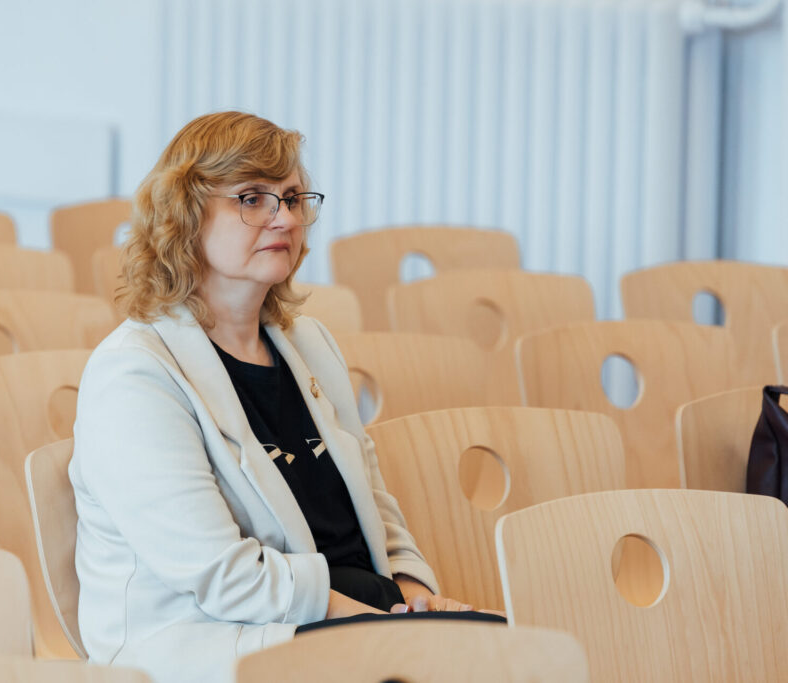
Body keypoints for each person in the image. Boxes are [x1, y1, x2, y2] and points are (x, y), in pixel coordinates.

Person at [70, 112, 498, 683]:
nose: (285, 218)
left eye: (293, 198)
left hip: (345, 613)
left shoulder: (309, 342)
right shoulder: (133, 375)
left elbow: (372, 501)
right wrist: (379, 625)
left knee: (521, 648)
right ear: (185, 216)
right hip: (210, 639)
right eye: (252, 198)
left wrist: (414, 593)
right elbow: (221, 576)